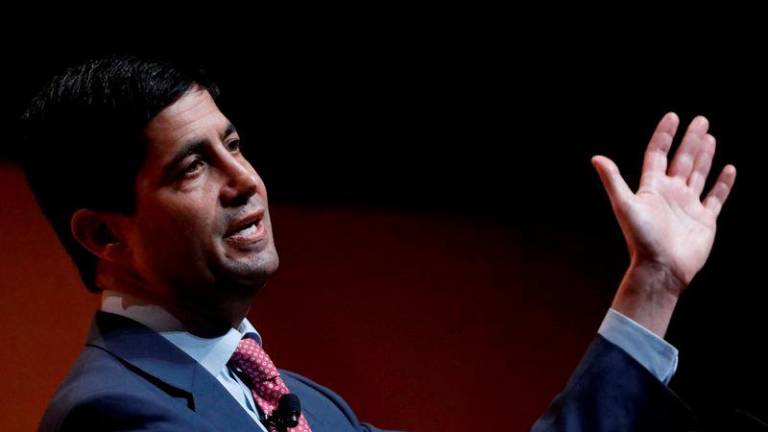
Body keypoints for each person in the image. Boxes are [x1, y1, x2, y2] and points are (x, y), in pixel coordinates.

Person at [21, 55, 736, 431]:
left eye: (235, 145)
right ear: (105, 234)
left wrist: (654, 284)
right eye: (193, 166)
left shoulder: (302, 403)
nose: (246, 181)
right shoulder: (112, 413)